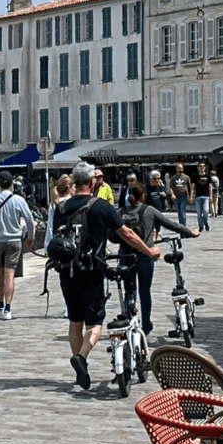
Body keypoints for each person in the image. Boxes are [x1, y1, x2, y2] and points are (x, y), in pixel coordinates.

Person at [53, 162, 159, 389]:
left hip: (66, 272)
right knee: (95, 325)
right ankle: (80, 357)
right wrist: (148, 251)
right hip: (91, 272)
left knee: (75, 321)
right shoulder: (101, 206)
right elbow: (127, 233)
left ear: (74, 183)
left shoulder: (60, 209)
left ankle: (80, 369)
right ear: (92, 183)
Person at [120, 182, 198, 334]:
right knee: (145, 291)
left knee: (129, 292)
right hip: (145, 255)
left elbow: (112, 235)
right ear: (143, 195)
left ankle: (129, 324)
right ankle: (146, 324)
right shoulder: (149, 210)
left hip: (126, 255)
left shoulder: (120, 212)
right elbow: (172, 225)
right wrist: (190, 232)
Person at [0, 170, 35, 321]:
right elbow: (29, 220)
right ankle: (8, 310)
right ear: (12, 184)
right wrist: (30, 237)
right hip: (13, 240)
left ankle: (0, 306)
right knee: (10, 275)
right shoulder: (18, 200)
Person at [45, 174, 74, 250]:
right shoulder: (74, 203)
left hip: (59, 243)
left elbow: (50, 226)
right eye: (74, 186)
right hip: (73, 243)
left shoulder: (54, 203)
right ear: (69, 188)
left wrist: (47, 245)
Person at [192, 162, 212, 232]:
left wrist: (211, 196)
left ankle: (205, 222)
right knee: (199, 213)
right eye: (200, 166)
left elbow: (210, 187)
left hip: (206, 196)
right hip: (198, 196)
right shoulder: (195, 176)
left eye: (203, 166)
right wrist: (191, 196)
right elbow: (193, 187)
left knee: (206, 211)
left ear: (205, 168)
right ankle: (201, 226)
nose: (202, 168)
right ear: (198, 168)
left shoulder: (208, 176)